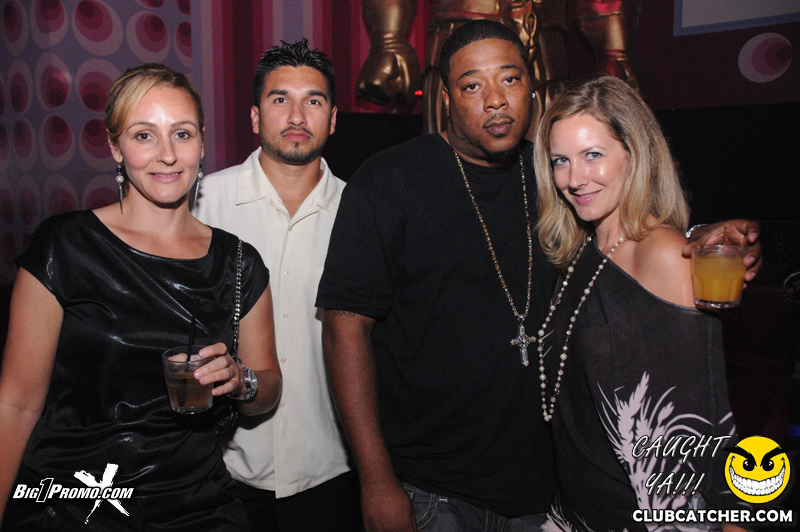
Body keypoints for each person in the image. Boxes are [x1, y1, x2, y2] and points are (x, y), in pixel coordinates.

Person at [316, 19, 760, 532]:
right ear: (446, 98)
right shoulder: (389, 180)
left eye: (510, 78)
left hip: (549, 495)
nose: (495, 100)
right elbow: (344, 330)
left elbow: (628, 235)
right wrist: (376, 480)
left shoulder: (554, 177)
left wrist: (701, 239)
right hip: (432, 491)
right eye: (472, 86)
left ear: (531, 84)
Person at [0, 63, 282, 530]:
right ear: (115, 147)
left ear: (202, 144)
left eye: (182, 134)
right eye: (144, 135)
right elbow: (16, 404)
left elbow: (267, 388)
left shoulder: (239, 262)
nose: (167, 155)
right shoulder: (65, 247)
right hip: (72, 505)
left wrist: (240, 379)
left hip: (197, 507)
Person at [533, 75, 749, 530]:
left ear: (634, 154)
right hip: (573, 513)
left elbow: (697, 424)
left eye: (593, 155)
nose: (574, 179)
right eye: (560, 161)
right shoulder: (584, 249)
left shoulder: (664, 254)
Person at [193, 40, 360, 532]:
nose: (296, 115)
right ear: (254, 116)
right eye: (279, 98)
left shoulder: (362, 214)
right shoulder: (202, 205)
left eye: (314, 101)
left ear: (333, 119)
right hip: (219, 469)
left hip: (330, 469)